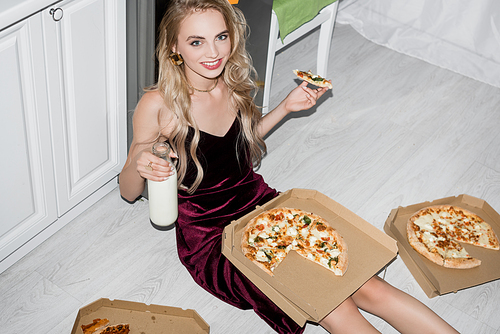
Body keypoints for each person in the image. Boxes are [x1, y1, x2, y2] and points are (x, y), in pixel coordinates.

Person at [119, 1, 460, 333]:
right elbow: (128, 191)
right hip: (212, 234)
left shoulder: (231, 80)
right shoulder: (157, 104)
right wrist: (140, 163)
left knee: (368, 286)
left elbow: (237, 147)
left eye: (221, 37)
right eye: (197, 42)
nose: (213, 53)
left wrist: (285, 107)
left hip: (263, 205)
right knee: (330, 301)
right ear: (175, 47)